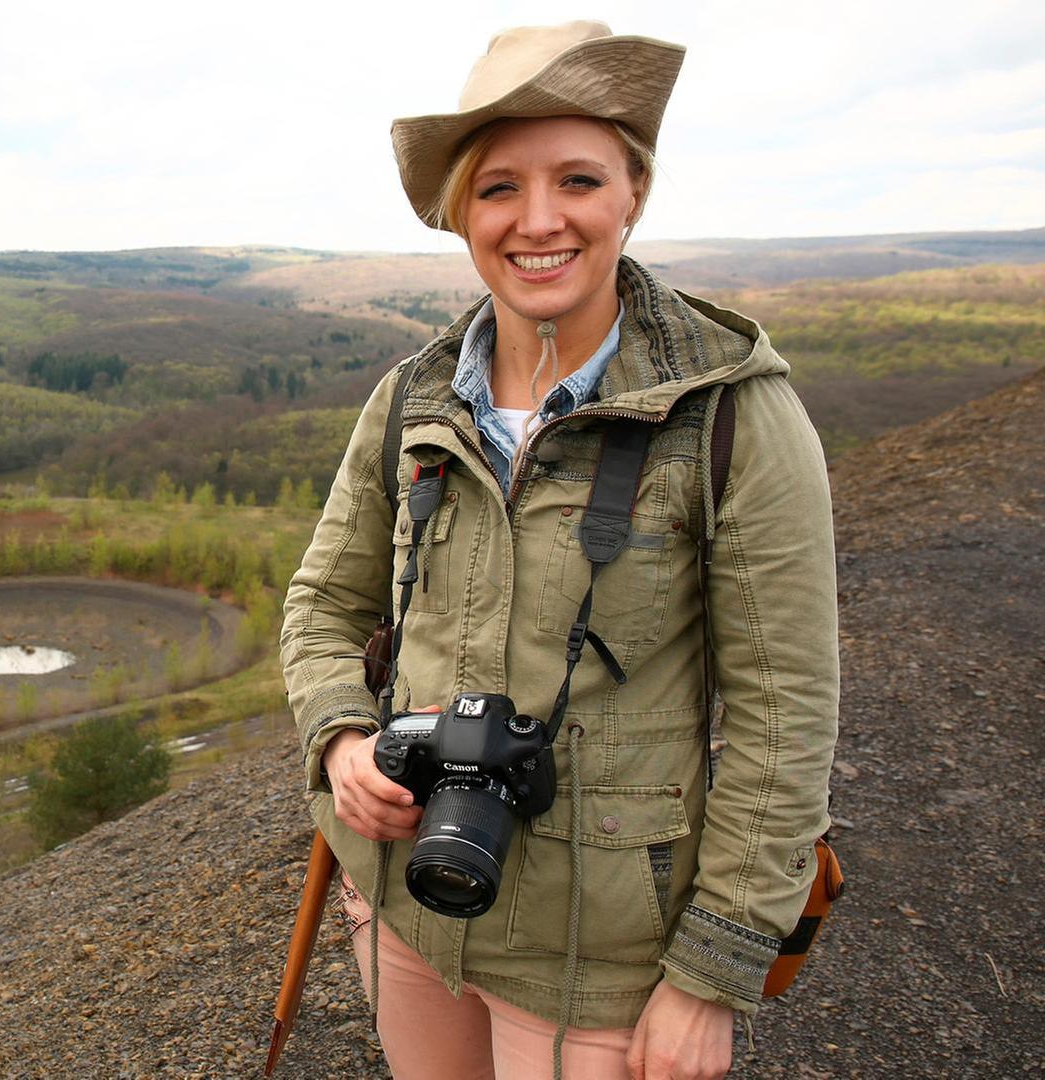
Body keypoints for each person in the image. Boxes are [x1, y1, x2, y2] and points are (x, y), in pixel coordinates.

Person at [279, 21, 837, 1080]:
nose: (539, 220)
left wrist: (711, 975)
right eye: (498, 189)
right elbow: (321, 605)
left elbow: (784, 716)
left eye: (577, 179)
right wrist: (344, 744)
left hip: (606, 957)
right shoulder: (413, 399)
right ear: (461, 215)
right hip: (412, 900)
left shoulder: (733, 418)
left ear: (634, 192)